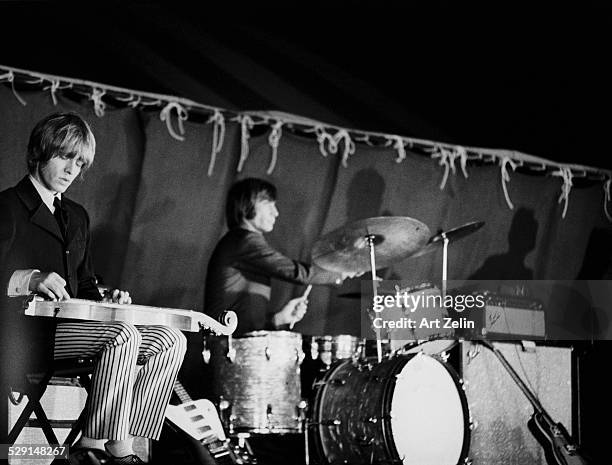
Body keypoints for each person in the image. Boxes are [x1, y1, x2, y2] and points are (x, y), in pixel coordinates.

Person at [0, 113, 186, 465]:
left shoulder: (77, 215)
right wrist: (29, 278)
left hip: (69, 330)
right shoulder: (7, 207)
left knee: (171, 340)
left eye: (80, 162)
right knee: (122, 336)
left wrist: (104, 299)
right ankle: (94, 444)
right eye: (65, 157)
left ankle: (125, 439)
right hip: (24, 337)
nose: (72, 169)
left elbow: (83, 283)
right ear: (39, 152)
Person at [204, 177, 350, 335]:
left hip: (238, 348)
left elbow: (244, 319)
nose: (276, 213)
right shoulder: (244, 241)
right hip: (228, 350)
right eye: (269, 205)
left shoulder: (241, 241)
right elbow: (295, 272)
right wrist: (339, 272)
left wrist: (279, 319)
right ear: (247, 204)